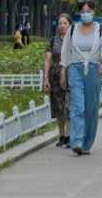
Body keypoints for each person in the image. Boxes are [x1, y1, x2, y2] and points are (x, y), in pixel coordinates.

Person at [60, 0, 102, 155]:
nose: (86, 14)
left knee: (91, 108)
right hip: (76, 69)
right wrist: (63, 72)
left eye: (89, 11)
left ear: (93, 12)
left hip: (94, 69)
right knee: (78, 106)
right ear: (79, 13)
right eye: (83, 12)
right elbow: (65, 51)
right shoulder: (73, 29)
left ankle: (87, 143)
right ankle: (76, 141)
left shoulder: (100, 29)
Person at [42, 13, 72, 147]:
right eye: (60, 23)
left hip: (71, 77)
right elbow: (47, 61)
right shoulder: (53, 41)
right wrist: (45, 78)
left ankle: (69, 135)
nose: (62, 26)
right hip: (55, 77)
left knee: (69, 106)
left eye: (65, 23)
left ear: (70, 24)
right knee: (58, 107)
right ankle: (61, 136)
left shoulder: (74, 39)